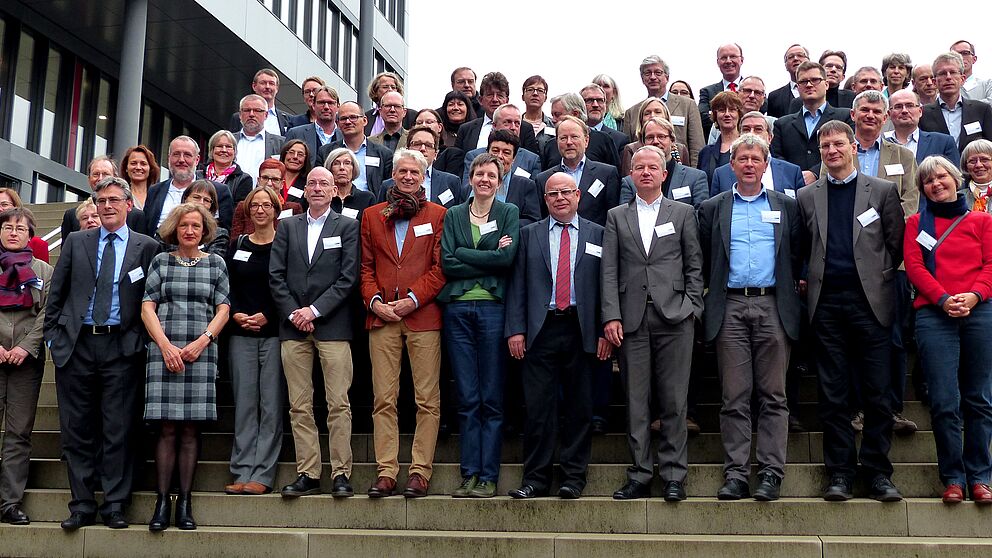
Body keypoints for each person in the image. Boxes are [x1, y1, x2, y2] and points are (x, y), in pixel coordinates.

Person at [796, 121, 905, 502]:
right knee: (833, 394)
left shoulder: (883, 191)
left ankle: (877, 473)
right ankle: (840, 472)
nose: (831, 150)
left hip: (870, 304)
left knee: (878, 393)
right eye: (825, 145)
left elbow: (895, 245)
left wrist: (876, 282)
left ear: (853, 146)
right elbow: (803, 247)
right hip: (826, 307)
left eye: (838, 143)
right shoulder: (807, 196)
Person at [45, 177, 158, 530]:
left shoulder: (147, 247)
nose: (107, 206)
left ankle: (114, 504)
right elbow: (57, 293)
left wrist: (138, 340)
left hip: (121, 347)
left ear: (128, 204)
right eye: (101, 200)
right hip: (76, 345)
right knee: (77, 428)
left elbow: (151, 300)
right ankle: (80, 504)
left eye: (113, 200)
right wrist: (52, 336)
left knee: (118, 428)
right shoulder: (77, 241)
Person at [697, 135, 802, 502]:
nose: (749, 164)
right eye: (742, 158)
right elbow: (706, 257)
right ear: (732, 165)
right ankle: (736, 474)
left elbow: (798, 251)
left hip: (773, 305)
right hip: (730, 307)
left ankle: (771, 473)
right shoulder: (713, 208)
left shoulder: (786, 206)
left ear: (765, 164)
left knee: (774, 395)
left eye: (756, 158)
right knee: (734, 396)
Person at [603, 145, 704, 502]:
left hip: (675, 316)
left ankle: (674, 475)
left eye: (652, 167)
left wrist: (693, 306)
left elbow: (695, 263)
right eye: (639, 167)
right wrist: (611, 315)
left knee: (674, 400)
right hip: (631, 320)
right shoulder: (616, 216)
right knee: (636, 401)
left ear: (664, 174)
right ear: (630, 175)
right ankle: (641, 473)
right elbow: (609, 270)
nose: (645, 172)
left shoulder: (684, 213)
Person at [505, 172, 610, 500]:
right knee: (538, 409)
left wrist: (607, 328)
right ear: (545, 199)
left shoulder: (600, 234)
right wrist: (516, 329)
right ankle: (535, 479)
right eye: (553, 194)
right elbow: (517, 285)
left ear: (578, 195)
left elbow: (608, 287)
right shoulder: (529, 234)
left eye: (566, 192)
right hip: (540, 329)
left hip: (582, 329)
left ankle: (573, 478)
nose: (560, 198)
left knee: (580, 408)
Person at [904, 155, 992, 504]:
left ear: (957, 179)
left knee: (980, 399)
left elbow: (990, 264)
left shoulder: (983, 221)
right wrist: (944, 300)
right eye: (928, 180)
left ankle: (980, 477)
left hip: (980, 312)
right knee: (943, 401)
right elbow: (913, 266)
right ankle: (953, 477)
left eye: (941, 176)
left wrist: (972, 296)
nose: (935, 184)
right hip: (934, 315)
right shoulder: (915, 223)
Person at [360, 149, 446, 499]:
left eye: (415, 171)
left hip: (422, 317)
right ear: (393, 175)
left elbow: (440, 269)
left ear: (424, 176)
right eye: (402, 171)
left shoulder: (438, 215)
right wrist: (376, 302)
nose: (408, 176)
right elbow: (365, 268)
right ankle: (386, 471)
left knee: (427, 399)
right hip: (382, 319)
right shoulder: (371, 215)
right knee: (384, 399)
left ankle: (420, 472)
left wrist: (411, 300)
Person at [269, 166, 360, 499]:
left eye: (325, 183)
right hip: (292, 328)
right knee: (299, 405)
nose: (318, 188)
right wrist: (295, 312)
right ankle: (308, 472)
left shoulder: (348, 226)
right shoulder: (287, 226)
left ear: (335, 190)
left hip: (333, 326)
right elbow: (275, 275)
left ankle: (340, 472)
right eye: (312, 183)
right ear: (303, 190)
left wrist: (314, 310)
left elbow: (348, 278)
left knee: (338, 403)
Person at [142, 203, 230, 531]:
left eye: (195, 226)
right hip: (163, 349)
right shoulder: (161, 261)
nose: (189, 231)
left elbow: (223, 308)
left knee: (191, 429)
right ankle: (162, 501)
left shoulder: (216, 263)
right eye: (183, 226)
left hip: (200, 351)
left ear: (204, 230)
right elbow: (147, 306)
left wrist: (203, 340)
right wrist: (165, 345)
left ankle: (185, 502)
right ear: (174, 229)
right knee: (166, 428)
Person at [440, 152, 519, 499]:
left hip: (492, 311)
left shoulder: (509, 213)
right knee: (468, 397)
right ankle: (468, 474)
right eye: (479, 174)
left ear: (499, 181)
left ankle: (489, 476)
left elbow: (507, 260)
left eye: (491, 175)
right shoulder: (454, 214)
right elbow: (447, 261)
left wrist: (466, 255)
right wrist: (488, 258)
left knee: (491, 397)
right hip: (457, 310)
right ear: (470, 178)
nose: (485, 179)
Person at [223, 186, 284, 496]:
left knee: (270, 405)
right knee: (245, 405)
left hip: (273, 333)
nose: (260, 210)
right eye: (255, 206)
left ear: (276, 209)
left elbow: (290, 286)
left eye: (266, 205)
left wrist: (268, 316)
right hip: (239, 333)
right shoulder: (237, 245)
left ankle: (263, 473)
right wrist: (234, 314)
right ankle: (242, 469)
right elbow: (226, 286)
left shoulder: (284, 244)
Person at [0, 208, 53, 525]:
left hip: (26, 362)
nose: (13, 231)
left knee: (18, 433)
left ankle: (9, 502)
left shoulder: (44, 271)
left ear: (30, 234)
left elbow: (47, 314)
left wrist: (24, 347)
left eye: (20, 227)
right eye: (7, 226)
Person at [773, 61, 855, 185]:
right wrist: (795, 176)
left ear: (826, 84)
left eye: (815, 80)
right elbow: (777, 157)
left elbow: (850, 150)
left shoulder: (845, 117)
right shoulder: (782, 124)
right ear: (798, 86)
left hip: (834, 185)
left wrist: (815, 173)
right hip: (793, 189)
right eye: (803, 81)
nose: (809, 85)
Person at [535, 116, 620, 227]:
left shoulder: (606, 174)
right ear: (557, 142)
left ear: (586, 141)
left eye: (574, 137)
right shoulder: (543, 179)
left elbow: (613, 218)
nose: (569, 142)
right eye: (563, 138)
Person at [623, 55, 705, 167]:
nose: (653, 77)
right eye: (648, 73)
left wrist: (693, 176)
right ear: (642, 78)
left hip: (680, 172)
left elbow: (697, 147)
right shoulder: (631, 113)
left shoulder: (687, 105)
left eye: (658, 72)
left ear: (667, 77)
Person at [144, 136, 235, 233]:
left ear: (197, 160)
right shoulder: (154, 190)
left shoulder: (219, 191)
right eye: (176, 154)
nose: (181, 160)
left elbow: (225, 232)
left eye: (187, 155)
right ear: (169, 158)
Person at [619, 117, 709, 208]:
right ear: (643, 143)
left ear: (672, 140)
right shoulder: (629, 182)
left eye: (661, 137)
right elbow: (625, 217)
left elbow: (700, 215)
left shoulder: (695, 178)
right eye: (650, 137)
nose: (655, 141)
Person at [710, 111, 805, 197]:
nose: (752, 134)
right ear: (739, 136)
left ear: (770, 137)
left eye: (758, 129)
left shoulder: (792, 172)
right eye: (746, 129)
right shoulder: (721, 174)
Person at [314, 101, 395, 197]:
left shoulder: (384, 154)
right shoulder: (325, 152)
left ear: (365, 120)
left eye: (353, 117)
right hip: (335, 205)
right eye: (343, 119)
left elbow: (388, 188)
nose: (348, 122)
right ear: (338, 124)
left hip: (371, 206)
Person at [920, 52, 992, 154]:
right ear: (934, 82)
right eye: (942, 73)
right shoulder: (923, 114)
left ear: (962, 79)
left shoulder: (982, 110)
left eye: (953, 72)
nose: (948, 77)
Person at [61, 156, 145, 241]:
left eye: (105, 174)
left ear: (115, 177)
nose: (100, 178)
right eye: (96, 174)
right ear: (89, 179)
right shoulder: (72, 215)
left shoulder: (135, 216)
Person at [884, 89, 961, 167]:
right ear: (889, 114)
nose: (904, 111)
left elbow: (955, 177)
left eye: (910, 105)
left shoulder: (943, 143)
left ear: (920, 111)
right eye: (898, 107)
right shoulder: (879, 143)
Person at [166, 181, 231, 256]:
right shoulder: (169, 228)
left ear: (211, 206)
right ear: (185, 198)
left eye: (206, 200)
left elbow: (212, 263)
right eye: (196, 197)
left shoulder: (219, 235)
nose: (201, 203)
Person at [284, 85, 343, 166]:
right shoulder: (296, 133)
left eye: (330, 103)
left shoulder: (345, 136)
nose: (326, 107)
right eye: (321, 102)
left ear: (338, 106)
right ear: (313, 105)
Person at [235, 94, 285, 186]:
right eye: (247, 110)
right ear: (240, 115)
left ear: (266, 115)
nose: (251, 114)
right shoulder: (228, 141)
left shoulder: (281, 143)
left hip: (264, 198)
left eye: (257, 110)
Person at [227, 68, 293, 136]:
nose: (267, 87)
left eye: (271, 83)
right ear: (254, 86)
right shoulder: (238, 117)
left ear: (277, 88)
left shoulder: (288, 120)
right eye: (263, 83)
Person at [699, 44, 746, 136]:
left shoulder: (752, 90)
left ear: (741, 60)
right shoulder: (707, 92)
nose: (728, 61)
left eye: (733, 56)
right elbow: (703, 116)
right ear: (718, 62)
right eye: (724, 58)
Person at [697, 91, 744, 184]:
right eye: (722, 110)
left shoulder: (747, 147)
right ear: (715, 115)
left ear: (739, 114)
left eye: (732, 110)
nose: (727, 114)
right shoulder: (705, 153)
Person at [324, 147, 377, 220]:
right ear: (329, 169)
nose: (342, 168)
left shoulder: (367, 198)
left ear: (354, 169)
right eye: (336, 163)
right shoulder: (323, 197)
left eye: (347, 163)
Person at [203, 130, 254, 204]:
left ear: (235, 152)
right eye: (219, 146)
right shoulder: (199, 174)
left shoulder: (244, 179)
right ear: (211, 150)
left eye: (228, 147)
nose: (224, 150)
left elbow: (239, 210)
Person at [0, 189, 48, 263]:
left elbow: (42, 273)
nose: (0, 208)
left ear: (16, 206)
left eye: (4, 204)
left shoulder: (37, 244)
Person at [768, 45, 810, 118]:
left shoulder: (822, 91)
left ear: (809, 61)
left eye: (800, 55)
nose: (795, 59)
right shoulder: (774, 97)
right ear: (786, 66)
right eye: (790, 57)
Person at [950, 40, 992, 104]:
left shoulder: (987, 85)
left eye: (965, 53)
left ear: (974, 59)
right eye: (955, 55)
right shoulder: (945, 87)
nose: (960, 57)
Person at [121, 145, 160, 209]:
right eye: (133, 163)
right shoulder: (121, 195)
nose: (138, 167)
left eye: (143, 164)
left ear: (150, 168)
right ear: (126, 168)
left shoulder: (158, 196)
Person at [279, 139, 313, 203]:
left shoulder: (309, 183)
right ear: (284, 155)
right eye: (291, 152)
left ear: (306, 159)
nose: (295, 157)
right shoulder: (272, 178)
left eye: (300, 154)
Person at [962, 139, 992, 211]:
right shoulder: (958, 198)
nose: (978, 165)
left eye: (984, 160)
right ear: (966, 166)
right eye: (972, 161)